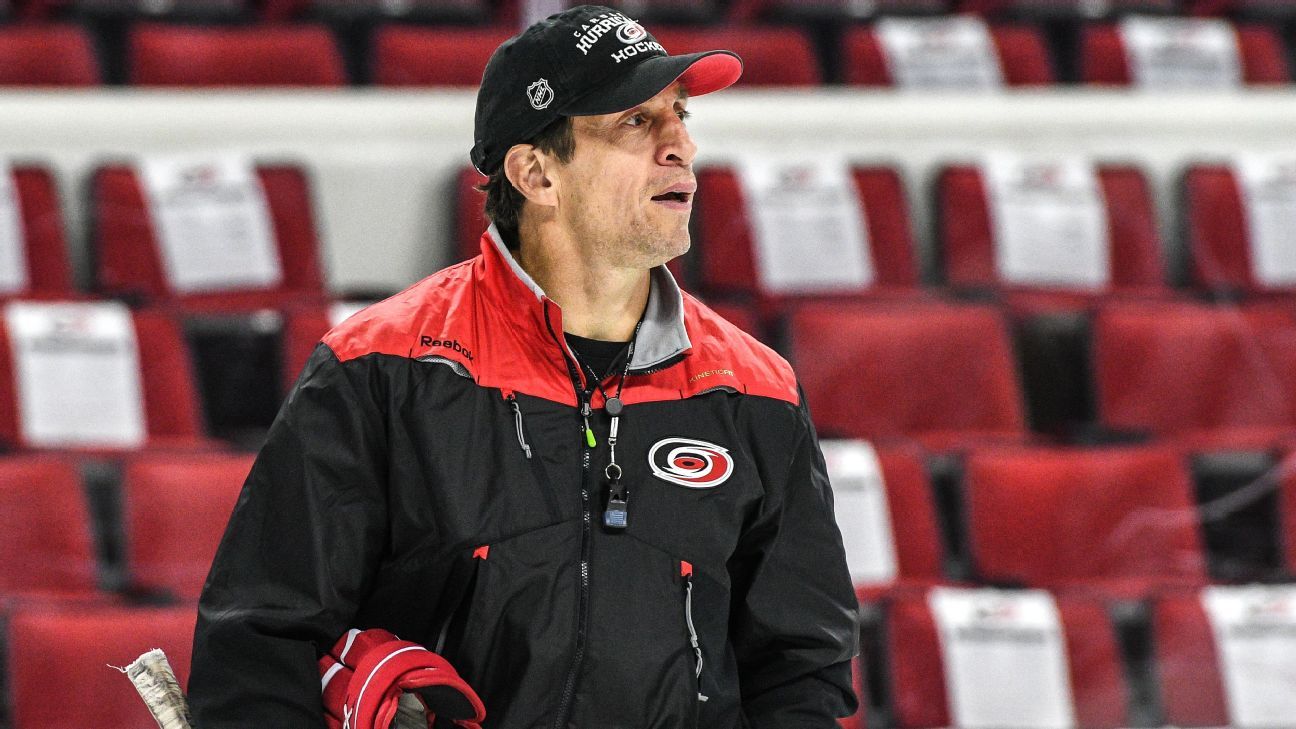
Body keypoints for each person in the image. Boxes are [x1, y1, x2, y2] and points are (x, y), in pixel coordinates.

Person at [188, 5, 859, 727]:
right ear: (536, 173)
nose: (682, 147)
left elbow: (801, 670)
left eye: (681, 115)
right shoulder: (378, 368)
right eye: (636, 121)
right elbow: (258, 646)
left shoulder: (755, 388)